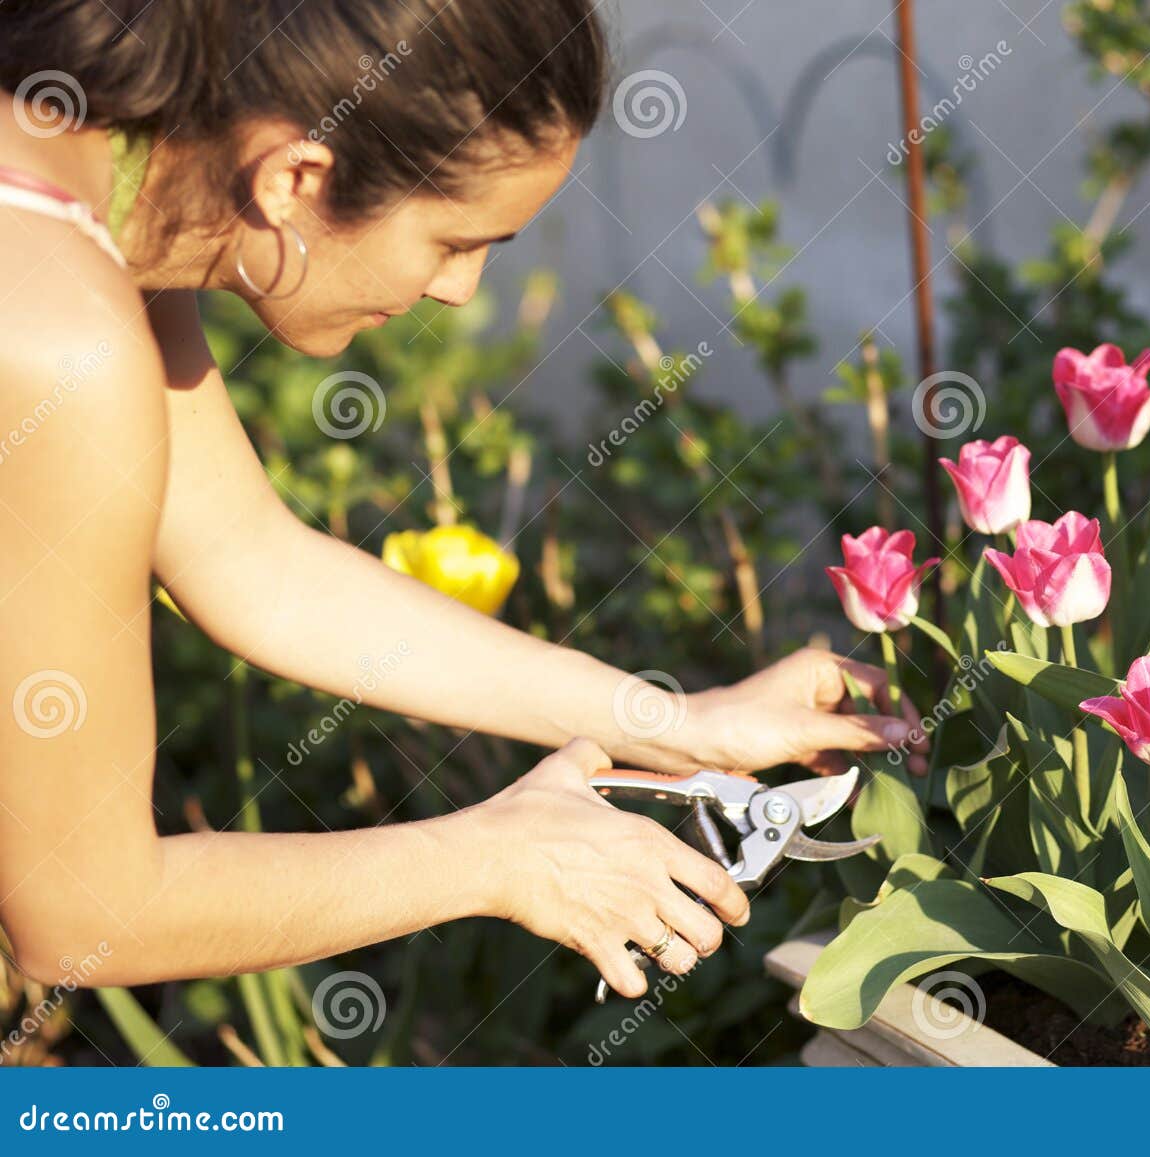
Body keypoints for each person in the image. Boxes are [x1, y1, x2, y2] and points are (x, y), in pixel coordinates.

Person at [0, 0, 926, 1002]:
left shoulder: (98, 199)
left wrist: (678, 724)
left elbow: (249, 559)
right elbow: (86, 914)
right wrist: (498, 857)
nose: (459, 289)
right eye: (453, 240)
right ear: (297, 177)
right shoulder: (57, 339)